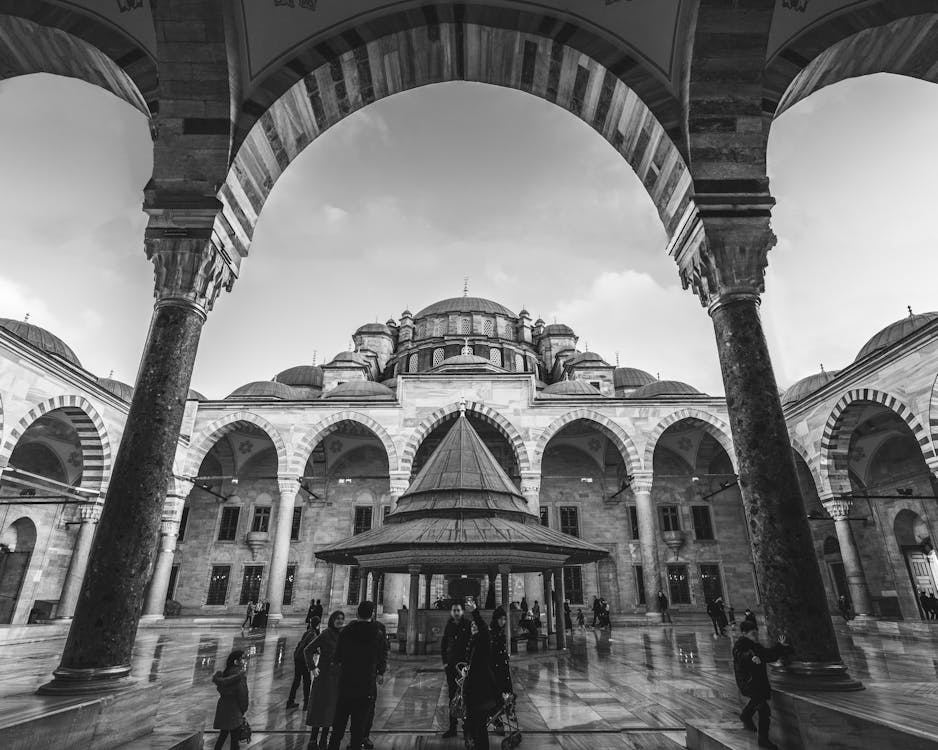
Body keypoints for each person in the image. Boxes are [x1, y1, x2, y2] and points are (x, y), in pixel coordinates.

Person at [328, 601, 387, 750]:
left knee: (338, 727)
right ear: (372, 614)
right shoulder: (378, 633)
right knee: (358, 728)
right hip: (366, 685)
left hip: (346, 683)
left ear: (357, 614)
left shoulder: (346, 631)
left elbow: (337, 657)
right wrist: (380, 672)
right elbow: (382, 656)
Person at [733, 620, 793, 750]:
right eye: (753, 634)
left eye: (756, 633)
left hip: (757, 683)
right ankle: (763, 739)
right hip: (748, 682)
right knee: (764, 709)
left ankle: (746, 716)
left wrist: (780, 646)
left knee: (758, 703)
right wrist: (751, 657)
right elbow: (741, 656)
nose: (756, 636)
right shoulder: (740, 645)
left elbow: (768, 655)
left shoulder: (756, 646)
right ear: (744, 633)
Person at [304, 610, 345, 750]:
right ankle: (313, 738)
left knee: (331, 708)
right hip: (324, 675)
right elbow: (308, 650)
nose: (340, 621)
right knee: (320, 706)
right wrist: (312, 667)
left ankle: (323, 739)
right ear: (332, 620)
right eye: (337, 618)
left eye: (342, 618)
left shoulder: (343, 635)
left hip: (336, 677)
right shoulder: (326, 633)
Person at [463, 609, 501, 750]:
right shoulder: (473, 641)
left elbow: (484, 630)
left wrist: (475, 612)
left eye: (475, 625)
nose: (473, 627)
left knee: (479, 726)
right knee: (474, 723)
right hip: (473, 690)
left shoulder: (484, 640)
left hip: (481, 690)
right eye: (471, 625)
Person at [441, 600, 472, 738]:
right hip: (452, 666)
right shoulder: (449, 626)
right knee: (452, 696)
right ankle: (452, 727)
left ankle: (467, 728)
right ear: (451, 612)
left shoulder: (468, 624)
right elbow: (444, 644)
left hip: (465, 666)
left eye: (458, 610)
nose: (456, 613)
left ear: (462, 611)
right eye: (454, 610)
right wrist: (445, 663)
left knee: (466, 695)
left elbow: (472, 644)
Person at [361, 608, 389, 750]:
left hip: (370, 673)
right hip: (355, 674)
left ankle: (364, 735)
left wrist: (380, 671)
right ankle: (357, 737)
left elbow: (383, 651)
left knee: (369, 706)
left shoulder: (379, 628)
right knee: (355, 706)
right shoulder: (351, 629)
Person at [212, 649, 249, 750]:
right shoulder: (239, 676)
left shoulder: (225, 673)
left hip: (223, 706)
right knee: (235, 739)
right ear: (236, 662)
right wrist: (243, 709)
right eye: (243, 658)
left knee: (223, 735)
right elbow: (242, 695)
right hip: (235, 709)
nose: (245, 661)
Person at [489, 606, 513, 736]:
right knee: (496, 698)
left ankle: (498, 722)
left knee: (503, 698)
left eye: (504, 619)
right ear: (496, 619)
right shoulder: (492, 633)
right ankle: (496, 723)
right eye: (501, 619)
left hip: (502, 671)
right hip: (495, 671)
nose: (503, 622)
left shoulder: (500, 632)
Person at [288, 618, 320, 710]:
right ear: (318, 625)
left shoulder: (308, 632)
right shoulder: (313, 634)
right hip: (303, 659)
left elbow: (302, 644)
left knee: (296, 681)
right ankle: (306, 704)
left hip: (297, 657)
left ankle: (290, 701)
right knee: (307, 681)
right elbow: (309, 648)